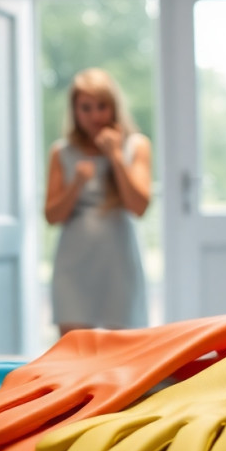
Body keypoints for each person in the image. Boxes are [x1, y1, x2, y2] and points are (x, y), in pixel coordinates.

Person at [44, 68, 153, 336]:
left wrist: (115, 156)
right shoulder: (62, 152)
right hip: (74, 263)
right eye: (86, 108)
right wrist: (76, 184)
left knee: (124, 351)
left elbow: (139, 207)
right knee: (74, 352)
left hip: (118, 260)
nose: (95, 116)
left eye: (102, 106)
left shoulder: (136, 146)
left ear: (114, 107)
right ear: (75, 111)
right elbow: (51, 216)